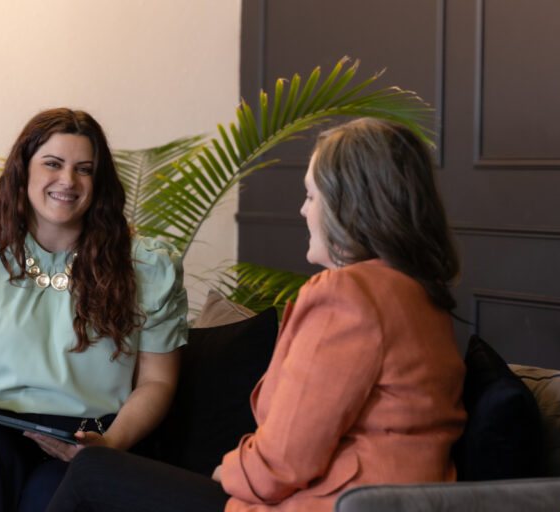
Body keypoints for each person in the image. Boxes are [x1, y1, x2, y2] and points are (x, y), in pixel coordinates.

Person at [45, 117, 467, 512]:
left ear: (349, 205)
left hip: (324, 504)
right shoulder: (421, 294)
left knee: (91, 469)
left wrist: (225, 471)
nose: (303, 210)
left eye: (311, 196)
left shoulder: (348, 295)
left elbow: (283, 463)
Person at [0, 108, 188, 512]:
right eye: (53, 164)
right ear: (23, 171)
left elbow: (157, 382)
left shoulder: (147, 266)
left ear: (99, 181)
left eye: (84, 169)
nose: (68, 180)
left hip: (93, 436)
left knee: (51, 495)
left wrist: (108, 445)